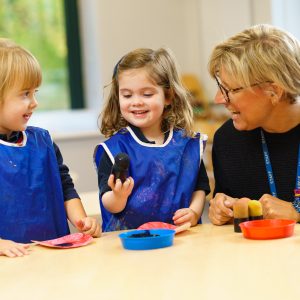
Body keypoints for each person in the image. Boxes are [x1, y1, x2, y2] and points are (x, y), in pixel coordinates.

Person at [0, 38, 101, 258]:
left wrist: (81, 220)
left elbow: (65, 187)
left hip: (54, 255)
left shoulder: (43, 141)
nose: (34, 102)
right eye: (25, 94)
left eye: (35, 92)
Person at [94, 47, 210, 231]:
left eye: (147, 94)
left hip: (181, 240)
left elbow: (199, 187)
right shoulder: (113, 149)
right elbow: (108, 202)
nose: (136, 101)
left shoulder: (188, 144)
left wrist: (194, 212)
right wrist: (118, 196)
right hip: (130, 246)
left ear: (168, 97)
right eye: (127, 95)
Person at [207, 24, 300, 225]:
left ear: (273, 91)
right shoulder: (227, 140)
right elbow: (228, 210)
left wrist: (297, 213)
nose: (219, 99)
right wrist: (222, 209)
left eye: (230, 90)